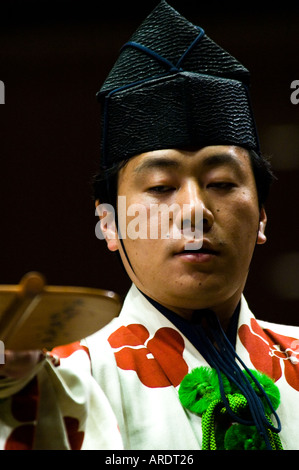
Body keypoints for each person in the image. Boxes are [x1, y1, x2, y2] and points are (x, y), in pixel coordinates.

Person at [1, 1, 299, 450]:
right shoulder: (62, 379)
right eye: (161, 187)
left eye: (221, 182)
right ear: (110, 224)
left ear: (261, 216)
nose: (195, 209)